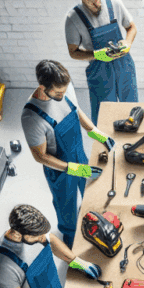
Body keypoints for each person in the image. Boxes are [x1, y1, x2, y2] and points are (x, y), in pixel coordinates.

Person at [22, 60, 110, 248]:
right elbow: (40, 156)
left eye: (64, 89)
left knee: (89, 191)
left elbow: (76, 110)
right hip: (60, 168)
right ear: (42, 86)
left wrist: (94, 131)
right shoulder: (31, 117)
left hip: (79, 153)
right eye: (57, 92)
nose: (63, 94)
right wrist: (72, 169)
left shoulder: (65, 89)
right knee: (67, 207)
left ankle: (92, 222)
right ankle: (71, 238)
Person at [65, 0, 138, 124]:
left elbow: (131, 27)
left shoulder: (115, 3)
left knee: (133, 111)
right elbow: (73, 52)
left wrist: (128, 43)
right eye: (92, 2)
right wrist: (96, 55)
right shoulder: (73, 18)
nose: (98, 4)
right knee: (103, 117)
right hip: (100, 73)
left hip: (124, 66)